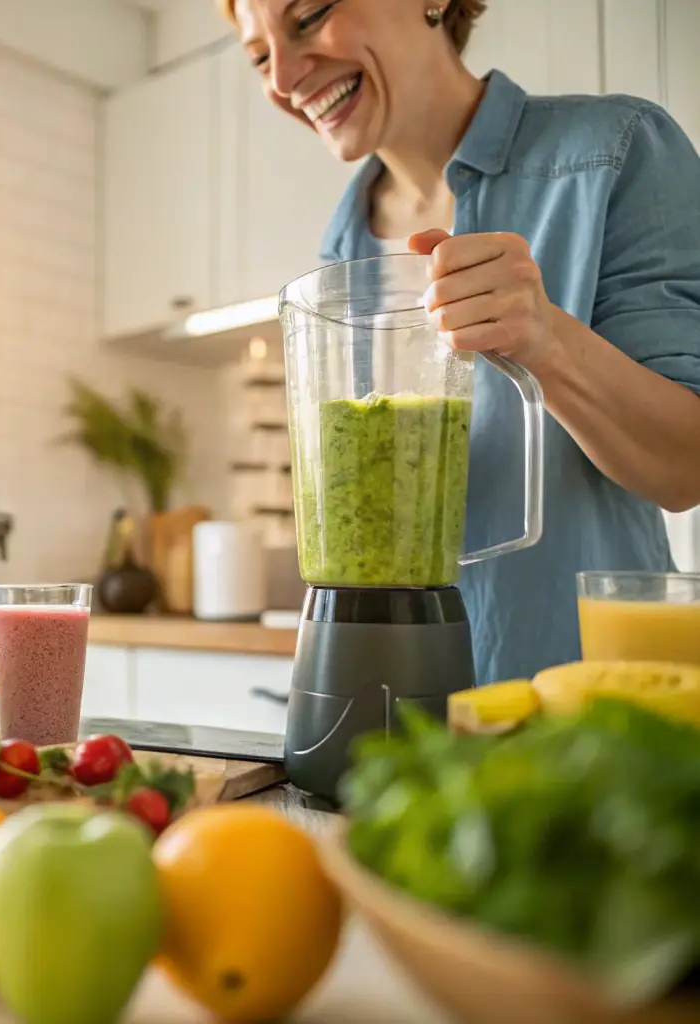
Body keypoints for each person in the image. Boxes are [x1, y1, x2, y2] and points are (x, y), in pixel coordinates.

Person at [220, 0, 700, 684]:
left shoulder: (610, 153)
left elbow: (686, 467)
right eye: (260, 56)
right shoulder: (339, 255)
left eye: (309, 15)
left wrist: (545, 340)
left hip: (594, 718)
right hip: (409, 720)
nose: (285, 77)